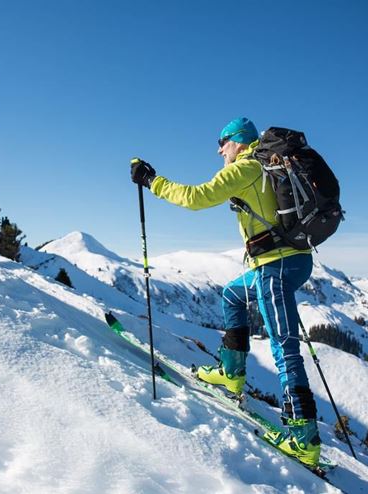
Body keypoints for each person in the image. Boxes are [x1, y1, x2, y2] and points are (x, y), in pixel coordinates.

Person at [130, 117, 321, 467]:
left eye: (222, 142)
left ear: (238, 141)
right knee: (232, 295)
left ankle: (304, 437)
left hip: (275, 266)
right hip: (290, 261)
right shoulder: (267, 166)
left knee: (283, 346)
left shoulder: (246, 168)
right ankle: (232, 373)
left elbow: (195, 197)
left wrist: (151, 180)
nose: (219, 149)